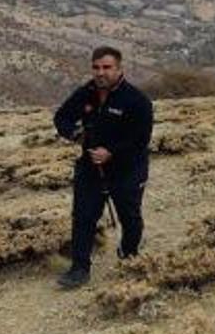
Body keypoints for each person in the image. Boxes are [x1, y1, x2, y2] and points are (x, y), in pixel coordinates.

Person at [53, 46, 154, 289]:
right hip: (90, 168)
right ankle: (79, 268)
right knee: (83, 217)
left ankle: (129, 255)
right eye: (96, 67)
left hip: (128, 168)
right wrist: (75, 134)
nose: (101, 73)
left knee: (129, 217)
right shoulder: (85, 93)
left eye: (107, 67)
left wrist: (112, 152)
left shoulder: (137, 100)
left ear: (119, 69)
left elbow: (141, 138)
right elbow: (61, 118)